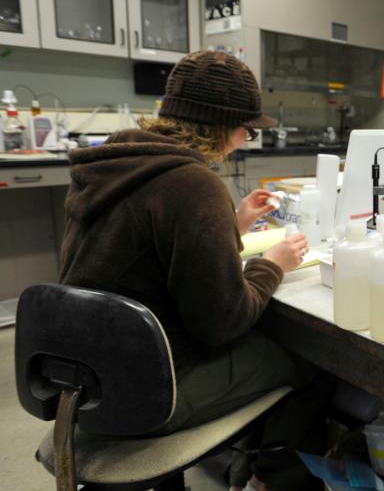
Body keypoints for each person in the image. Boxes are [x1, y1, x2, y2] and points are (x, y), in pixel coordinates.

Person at [59, 50, 331, 491]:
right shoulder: (192, 182)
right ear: (218, 124)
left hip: (82, 377)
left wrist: (232, 222)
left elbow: (149, 250)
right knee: (308, 359)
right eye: (245, 128)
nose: (246, 139)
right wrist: (271, 266)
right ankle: (270, 480)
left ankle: (247, 461)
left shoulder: (118, 162)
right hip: (150, 387)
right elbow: (222, 322)